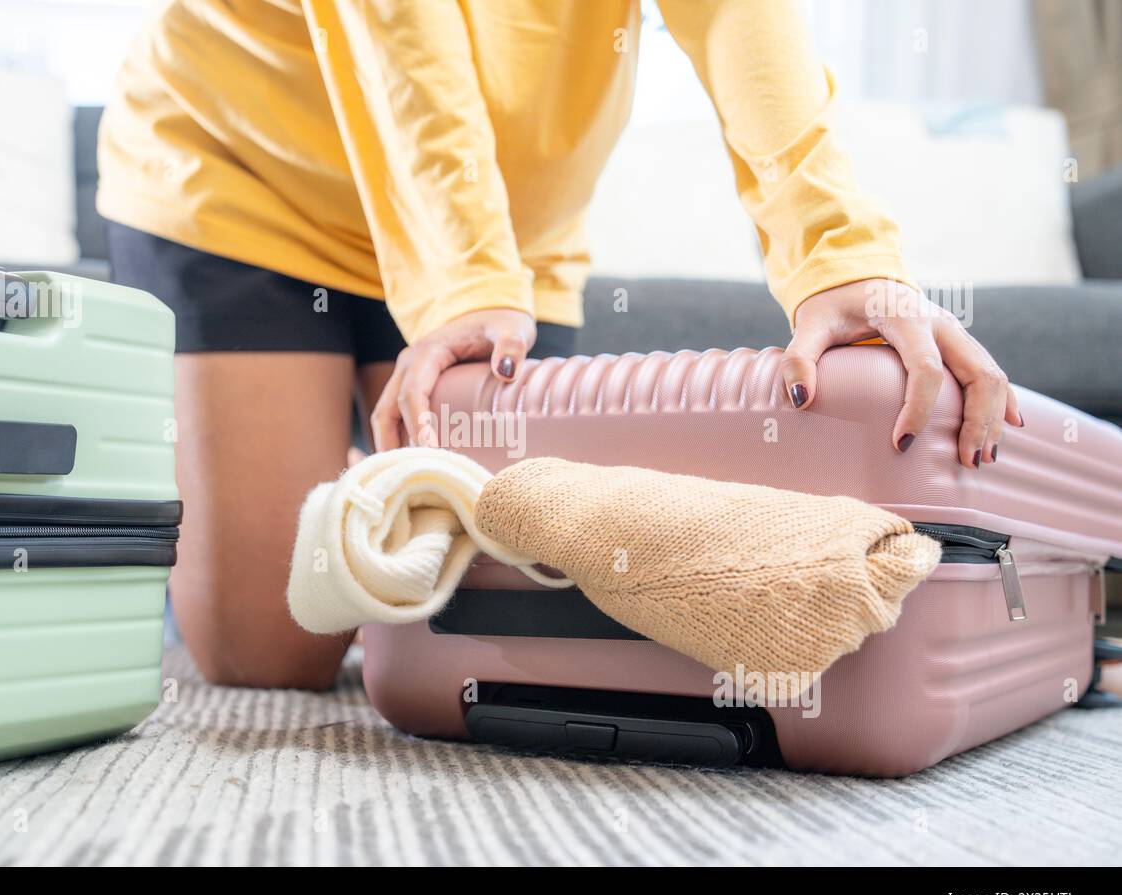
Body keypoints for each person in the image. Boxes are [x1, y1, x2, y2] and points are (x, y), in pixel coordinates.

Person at [97, 0, 1021, 689]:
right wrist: (464, 284)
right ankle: (232, 506)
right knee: (270, 655)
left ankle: (303, 473)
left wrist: (842, 257)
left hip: (510, 221)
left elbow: (740, 18)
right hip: (246, 173)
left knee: (526, 603)